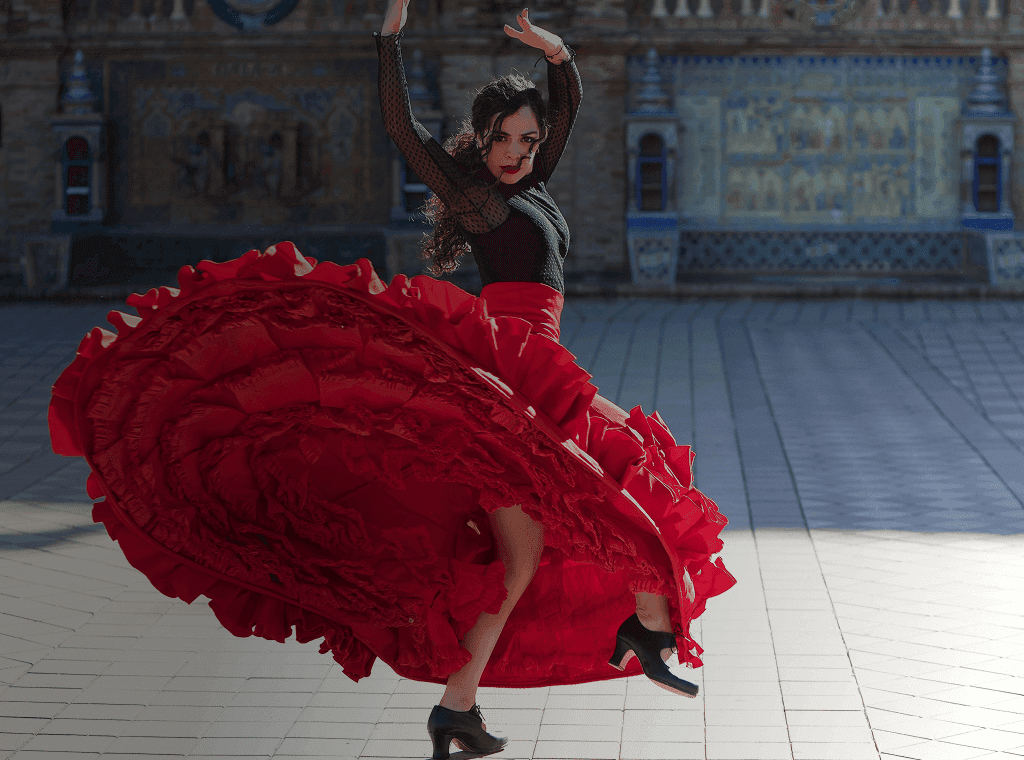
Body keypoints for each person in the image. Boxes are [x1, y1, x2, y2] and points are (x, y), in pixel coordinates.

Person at [48, 4, 735, 760]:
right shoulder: (481, 196)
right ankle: (633, 627)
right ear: (482, 138)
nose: (515, 151)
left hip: (540, 370)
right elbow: (404, 130)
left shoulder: (534, 185)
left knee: (547, 538)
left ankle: (466, 706)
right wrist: (389, 37)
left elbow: (567, 105)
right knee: (607, 488)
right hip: (508, 376)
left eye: (528, 140)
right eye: (502, 138)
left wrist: (556, 52)